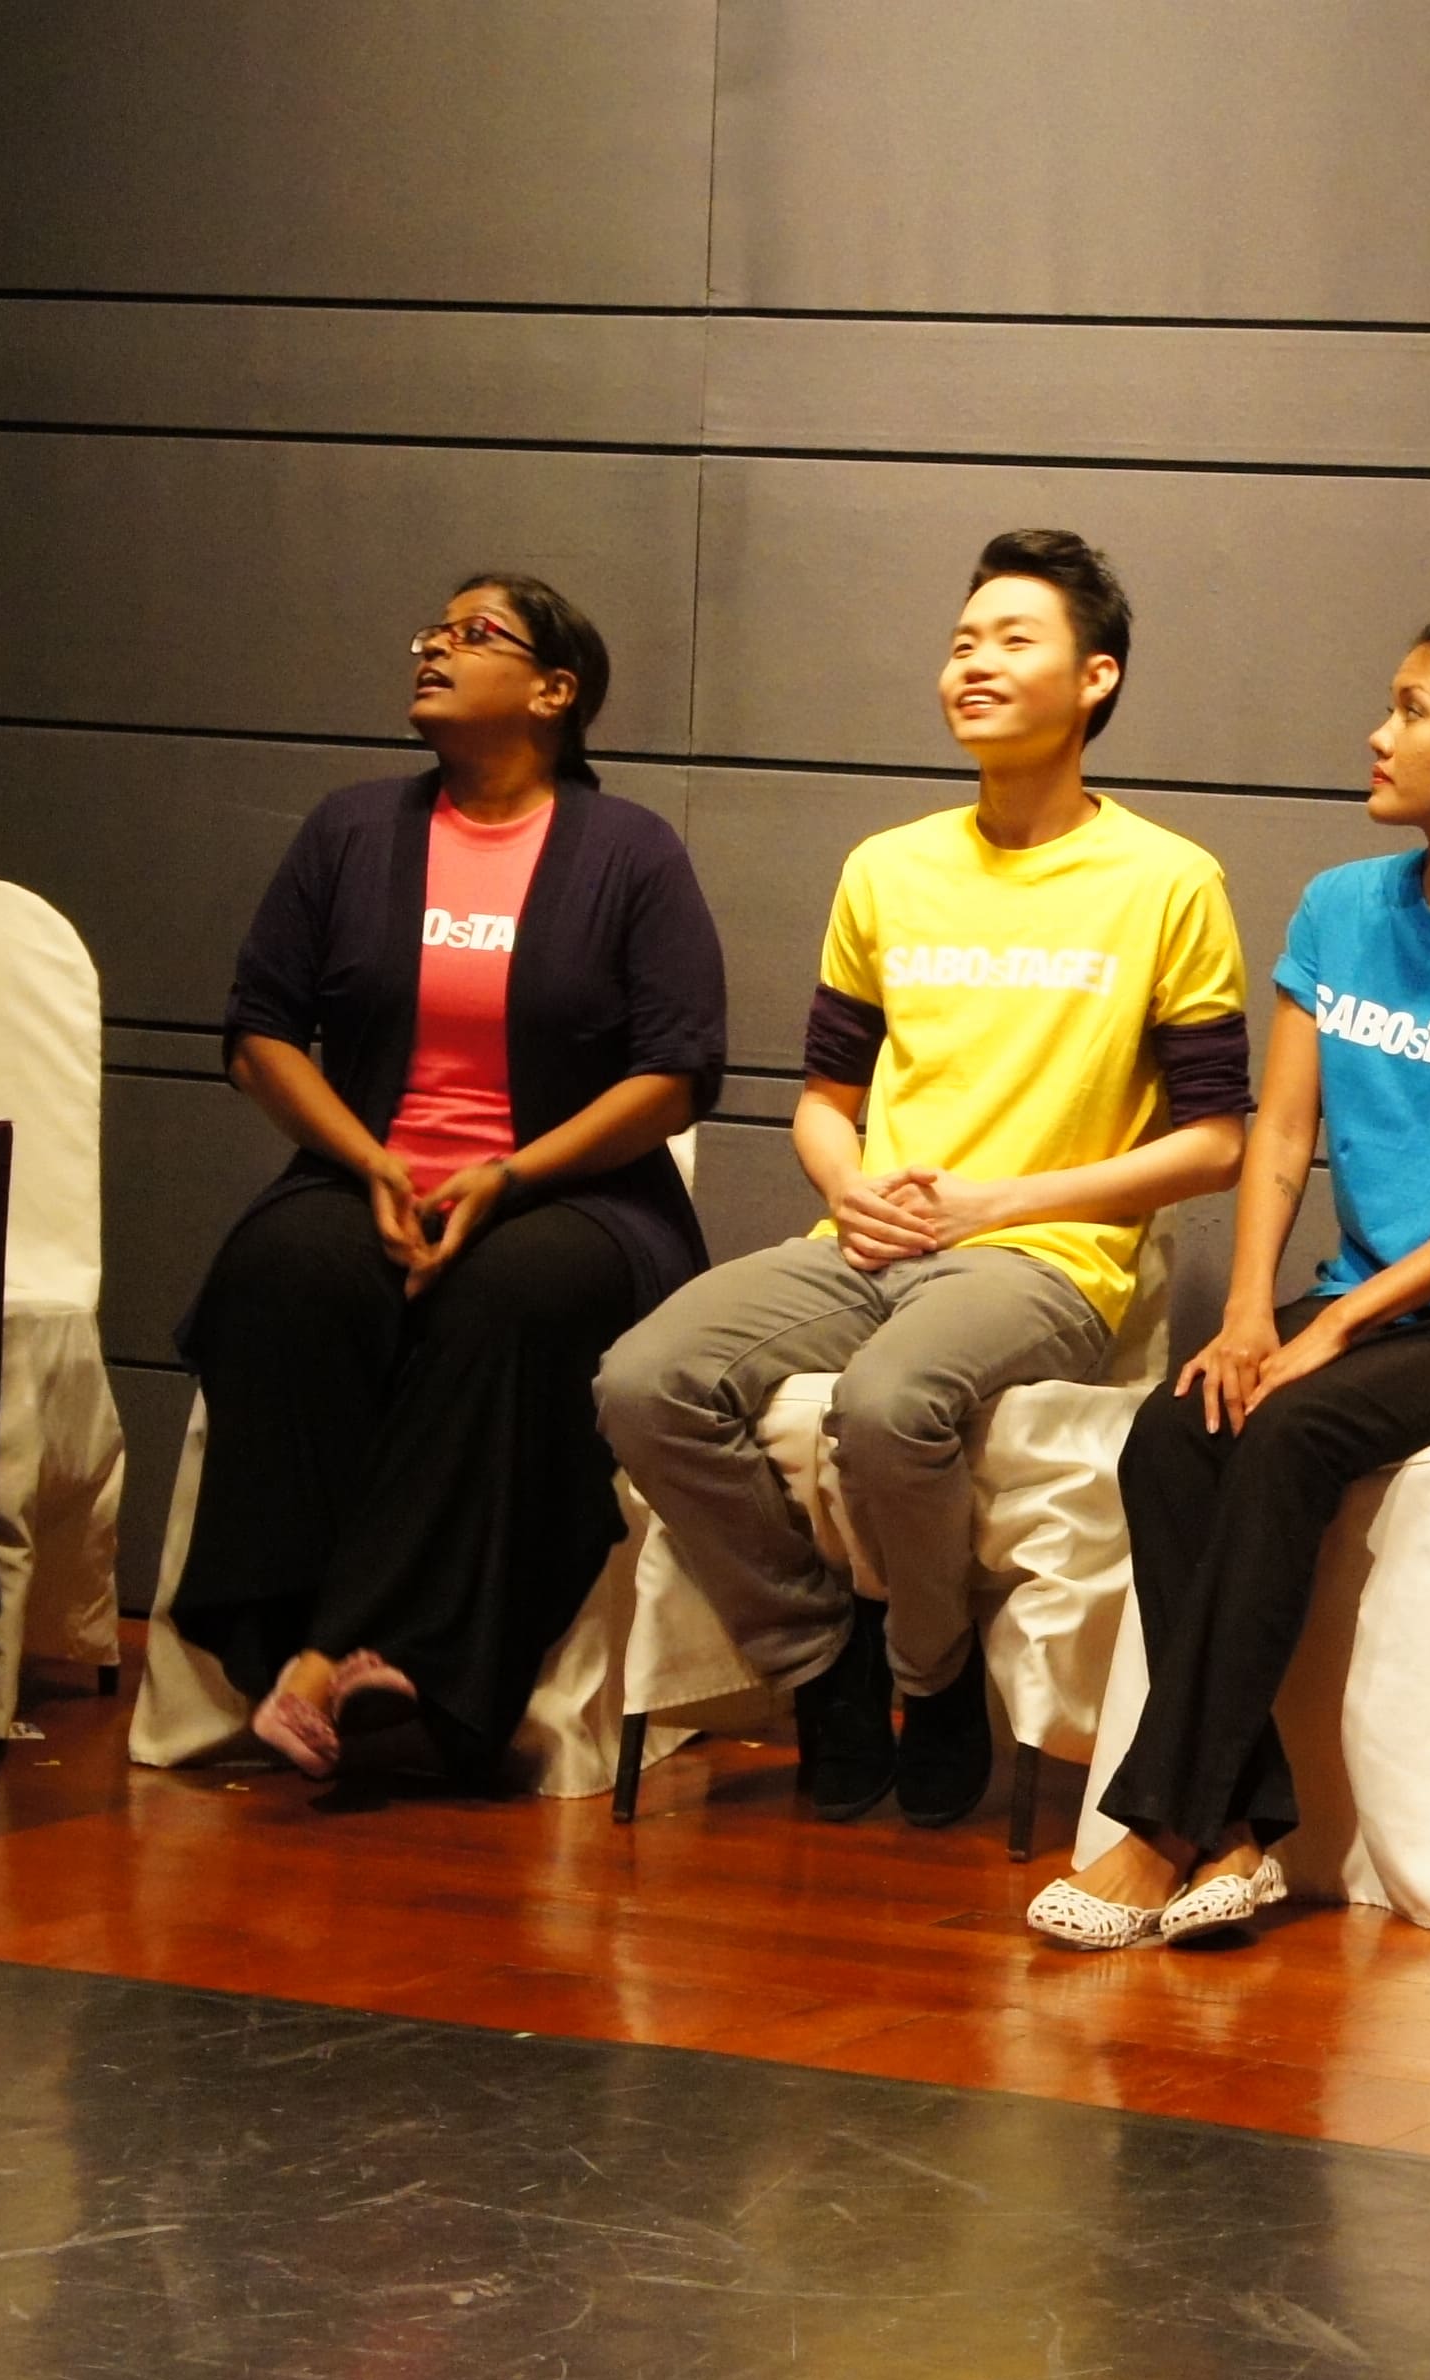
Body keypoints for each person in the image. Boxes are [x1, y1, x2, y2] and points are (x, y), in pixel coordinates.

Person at [1024, 608, 1430, 1950]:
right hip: (1364, 1297)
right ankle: (1253, 1830)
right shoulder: (1339, 906)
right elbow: (1280, 1134)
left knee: (1294, 1428)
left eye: (1413, 710)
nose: (1379, 736)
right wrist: (1256, 1312)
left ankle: (1158, 1831)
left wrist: (1336, 1333)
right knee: (1176, 1427)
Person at [597, 531, 1250, 1829]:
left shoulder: (1169, 881)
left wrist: (999, 1204)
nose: (977, 664)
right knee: (643, 1380)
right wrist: (846, 1188)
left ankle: (932, 1676)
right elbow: (825, 1103)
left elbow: (1217, 1140)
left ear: (1096, 680)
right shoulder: (887, 869)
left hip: (1044, 1260)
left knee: (893, 1403)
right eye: (963, 642)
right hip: (865, 1241)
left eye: (1016, 641)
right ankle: (818, 1662)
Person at [170, 572, 726, 1791]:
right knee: (284, 1273)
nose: (433, 646)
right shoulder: (351, 830)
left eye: (473, 634)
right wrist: (367, 1155)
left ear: (553, 689)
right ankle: (298, 1631)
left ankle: (342, 1653)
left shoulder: (629, 850)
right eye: (430, 628)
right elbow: (258, 1030)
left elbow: (676, 1073)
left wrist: (509, 1172)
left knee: (503, 1298)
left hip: (573, 1196)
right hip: (366, 1175)